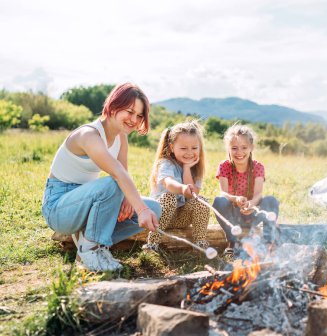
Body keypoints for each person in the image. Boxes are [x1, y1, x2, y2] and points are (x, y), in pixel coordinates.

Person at [41, 83, 161, 272]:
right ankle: (90, 250)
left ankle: (91, 241)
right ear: (113, 105)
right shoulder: (89, 135)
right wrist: (139, 206)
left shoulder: (121, 137)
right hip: (59, 208)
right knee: (115, 185)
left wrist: (134, 204)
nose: (133, 120)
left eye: (139, 115)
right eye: (129, 112)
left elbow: (124, 173)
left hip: (87, 202)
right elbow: (118, 174)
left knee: (154, 207)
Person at [212, 124, 279, 258]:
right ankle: (232, 241)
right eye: (234, 148)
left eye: (244, 148)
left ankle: (268, 242)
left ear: (251, 147)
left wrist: (252, 204)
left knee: (271, 200)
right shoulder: (224, 166)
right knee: (219, 201)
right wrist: (235, 199)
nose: (239, 152)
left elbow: (258, 194)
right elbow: (223, 192)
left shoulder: (258, 167)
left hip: (253, 213)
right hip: (233, 215)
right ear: (228, 149)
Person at [143, 120, 210, 252]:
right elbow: (168, 183)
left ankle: (200, 243)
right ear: (172, 147)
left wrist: (186, 168)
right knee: (169, 197)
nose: (189, 152)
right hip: (159, 217)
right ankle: (152, 244)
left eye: (194, 148)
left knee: (201, 201)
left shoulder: (195, 168)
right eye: (184, 148)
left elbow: (193, 194)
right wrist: (182, 188)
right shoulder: (166, 163)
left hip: (180, 218)